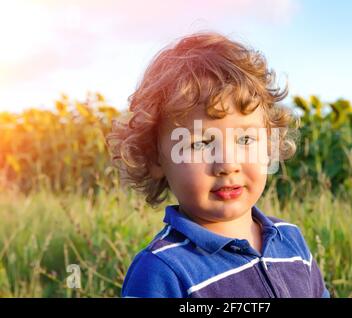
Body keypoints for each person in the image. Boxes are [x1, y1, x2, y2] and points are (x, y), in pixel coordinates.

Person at [107, 31, 330, 298]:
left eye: (246, 139)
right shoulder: (162, 271)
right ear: (156, 159)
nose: (227, 164)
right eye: (200, 144)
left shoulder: (291, 241)